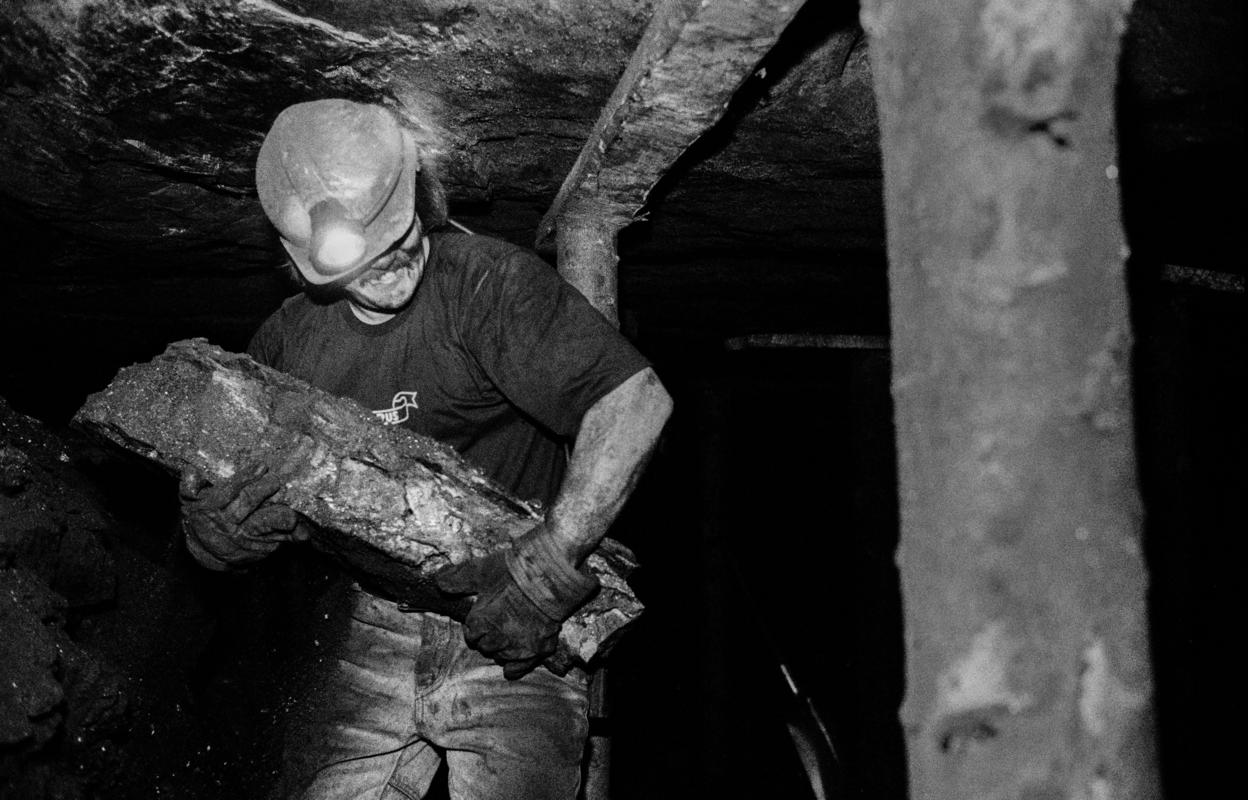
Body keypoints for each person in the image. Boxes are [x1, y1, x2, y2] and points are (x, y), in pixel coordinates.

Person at [178, 98, 673, 800]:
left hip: (512, 623)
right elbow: (225, 498)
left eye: (402, 238)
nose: (394, 268)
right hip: (366, 626)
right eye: (367, 260)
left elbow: (635, 403)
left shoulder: (485, 284)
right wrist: (213, 534)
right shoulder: (287, 344)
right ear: (302, 261)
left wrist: (550, 562)